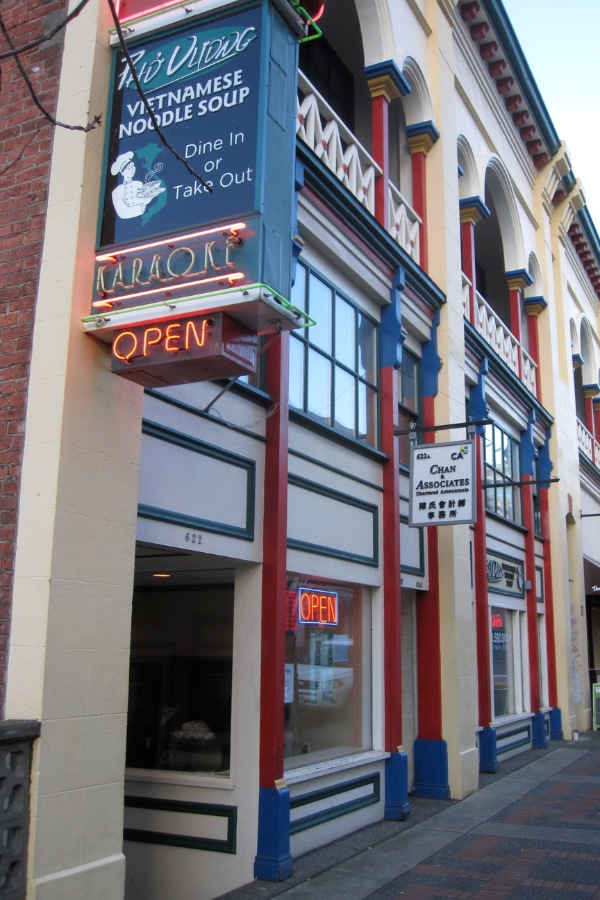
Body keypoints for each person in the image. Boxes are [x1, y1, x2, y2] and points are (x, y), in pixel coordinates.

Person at [110, 150, 164, 220]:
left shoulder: (138, 184)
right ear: (122, 173)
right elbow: (122, 213)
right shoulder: (116, 191)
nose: (132, 169)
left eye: (133, 166)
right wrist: (144, 203)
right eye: (128, 168)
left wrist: (147, 198)